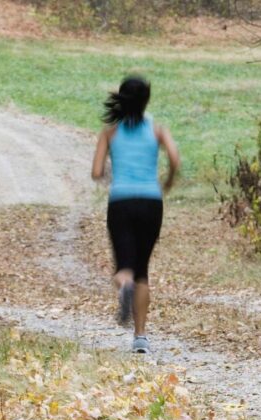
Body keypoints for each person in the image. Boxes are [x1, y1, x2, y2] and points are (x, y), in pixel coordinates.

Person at [90, 76, 181, 353]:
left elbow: (96, 172)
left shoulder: (110, 132)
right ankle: (140, 337)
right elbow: (175, 159)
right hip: (151, 202)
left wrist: (112, 179)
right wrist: (166, 182)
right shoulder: (157, 129)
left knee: (124, 268)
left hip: (121, 202)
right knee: (142, 270)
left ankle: (123, 284)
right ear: (147, 100)